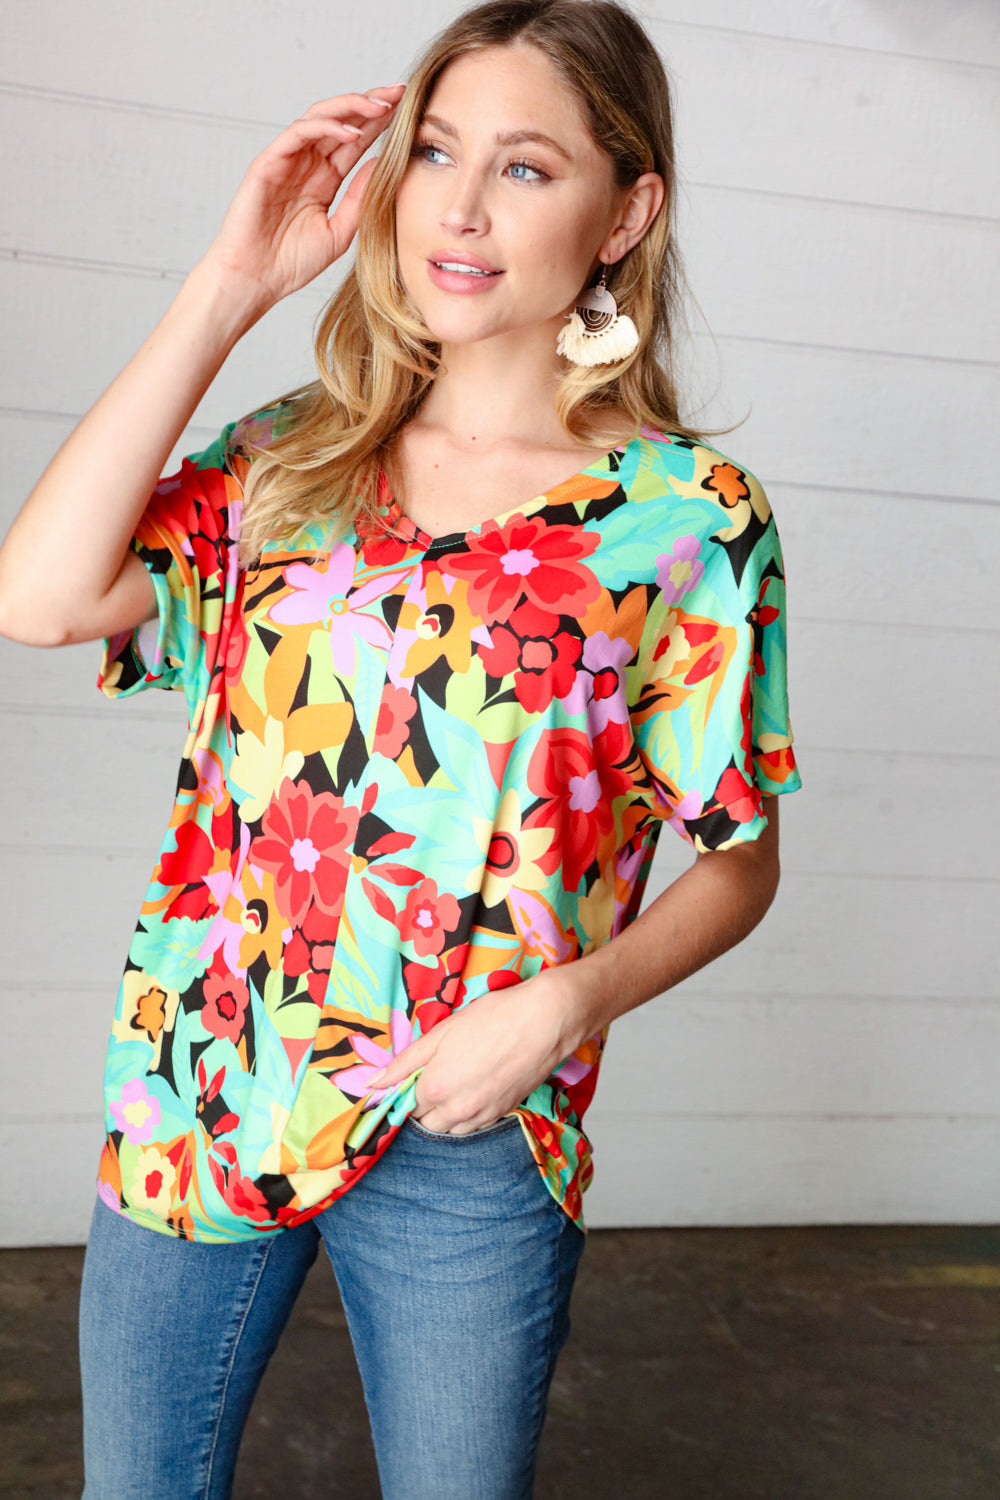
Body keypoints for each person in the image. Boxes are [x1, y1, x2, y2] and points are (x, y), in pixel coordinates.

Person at [0, 1, 802, 1495]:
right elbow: (37, 598)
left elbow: (740, 862)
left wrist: (565, 1004)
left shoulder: (687, 522)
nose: (460, 205)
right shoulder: (294, 457)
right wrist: (231, 284)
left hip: (468, 1127)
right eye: (435, 151)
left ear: (628, 213)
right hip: (202, 1076)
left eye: (524, 167)